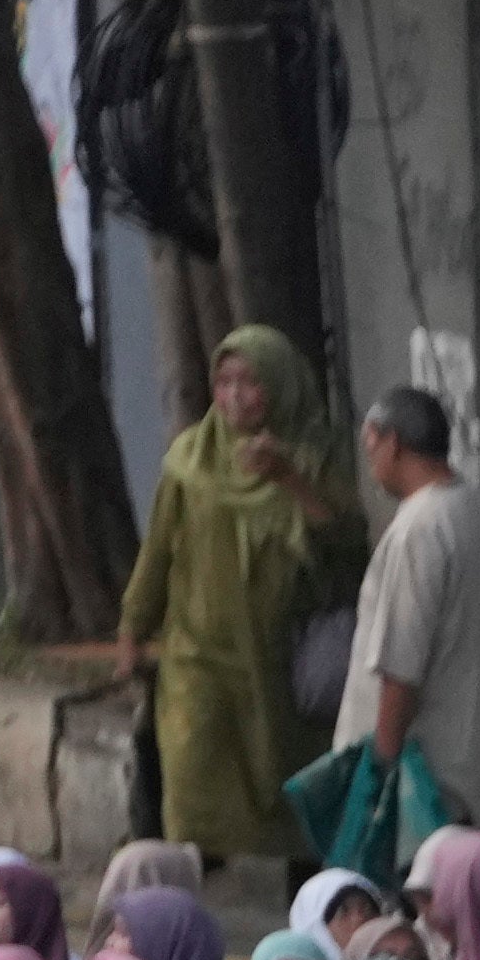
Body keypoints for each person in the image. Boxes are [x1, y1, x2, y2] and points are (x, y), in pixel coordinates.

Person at [118, 330, 364, 860]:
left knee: (291, 790)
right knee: (189, 782)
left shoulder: (316, 458)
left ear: (281, 387)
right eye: (224, 382)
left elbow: (346, 552)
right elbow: (158, 551)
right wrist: (133, 630)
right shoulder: (189, 461)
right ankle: (183, 902)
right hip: (198, 656)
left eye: (250, 383)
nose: (234, 397)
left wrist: (290, 480)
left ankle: (306, 904)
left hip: (283, 659)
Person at [294, 388, 480, 870]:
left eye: (369, 444)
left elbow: (401, 662)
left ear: (391, 442)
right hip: (474, 760)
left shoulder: (418, 530)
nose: (369, 459)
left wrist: (379, 771)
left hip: (418, 774)